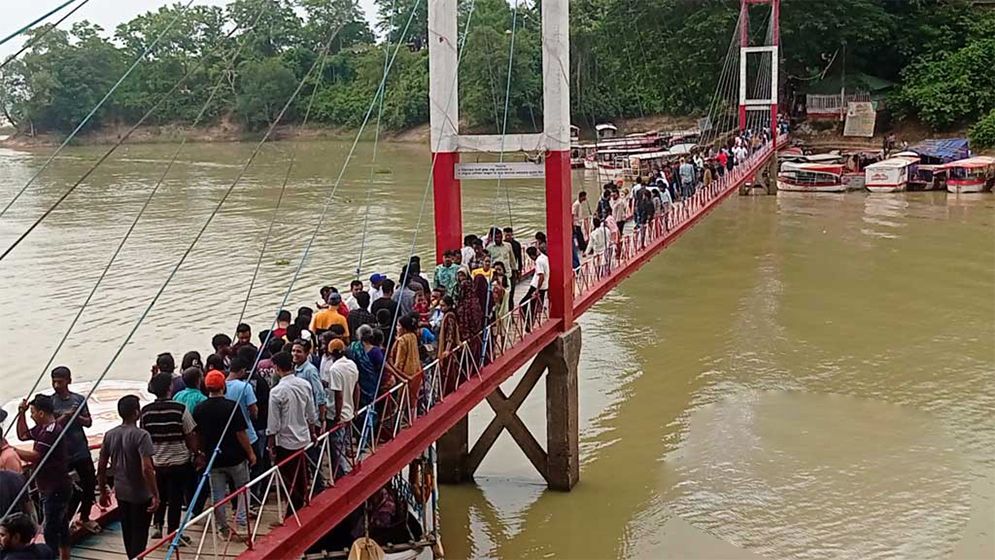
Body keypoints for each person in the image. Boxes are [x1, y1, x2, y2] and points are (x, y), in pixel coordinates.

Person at [192, 371, 256, 541]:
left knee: (218, 495)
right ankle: (241, 522)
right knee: (243, 488)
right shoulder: (232, 406)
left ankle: (223, 527)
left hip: (213, 459)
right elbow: (241, 433)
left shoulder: (199, 409)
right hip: (235, 457)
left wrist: (199, 453)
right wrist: (250, 453)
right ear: (223, 386)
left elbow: (198, 435)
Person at [98, 395, 158, 559]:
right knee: (140, 533)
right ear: (136, 413)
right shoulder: (142, 435)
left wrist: (103, 491)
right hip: (140, 494)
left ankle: (132, 557)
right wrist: (155, 494)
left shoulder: (110, 435)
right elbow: (147, 468)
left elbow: (102, 466)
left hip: (121, 492)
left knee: (128, 531)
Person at [141, 373, 197, 542]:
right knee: (175, 498)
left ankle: (157, 525)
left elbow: (144, 436)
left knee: (160, 495)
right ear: (169, 388)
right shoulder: (180, 408)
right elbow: (190, 434)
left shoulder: (145, 412)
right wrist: (196, 453)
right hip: (179, 460)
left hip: (157, 461)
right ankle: (174, 534)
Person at [14, 395, 70, 560]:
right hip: (51, 485)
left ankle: (51, 557)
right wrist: (21, 413)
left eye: (32, 412)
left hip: (55, 486)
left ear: (41, 413)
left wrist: (12, 450)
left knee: (50, 530)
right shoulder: (42, 428)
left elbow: (36, 456)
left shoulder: (51, 431)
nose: (31, 415)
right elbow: (23, 435)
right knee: (61, 526)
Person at [47, 366, 99, 535]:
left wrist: (76, 416)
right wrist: (66, 416)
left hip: (80, 450)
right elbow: (50, 427)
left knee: (90, 483)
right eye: (54, 381)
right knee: (64, 489)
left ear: (69, 381)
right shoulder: (49, 403)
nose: (56, 385)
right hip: (62, 454)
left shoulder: (79, 400)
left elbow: (88, 422)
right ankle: (65, 521)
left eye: (60, 382)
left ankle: (85, 517)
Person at [267, 351, 316, 514]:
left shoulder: (276, 392)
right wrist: (313, 432)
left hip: (285, 441)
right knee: (302, 472)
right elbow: (311, 413)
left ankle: (293, 509)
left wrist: (271, 445)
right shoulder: (305, 385)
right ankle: (302, 501)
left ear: (276, 367)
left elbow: (273, 423)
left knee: (288, 476)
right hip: (303, 436)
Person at [324, 339, 359, 476]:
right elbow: (357, 387)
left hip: (338, 414)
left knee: (337, 448)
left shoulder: (334, 369)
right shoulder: (351, 364)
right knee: (345, 444)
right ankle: (345, 470)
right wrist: (355, 408)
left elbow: (338, 395)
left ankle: (341, 475)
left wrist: (337, 416)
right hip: (349, 411)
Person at [387, 315, 423, 412]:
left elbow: (399, 362)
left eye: (398, 326)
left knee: (402, 401)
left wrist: (394, 374)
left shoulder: (402, 340)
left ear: (404, 328)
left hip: (406, 374)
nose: (396, 328)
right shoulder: (413, 336)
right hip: (416, 371)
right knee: (413, 401)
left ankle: (400, 422)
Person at [292, 339, 327, 428]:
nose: (295, 354)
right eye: (293, 351)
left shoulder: (310, 371)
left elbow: (320, 393)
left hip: (311, 418)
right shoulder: (295, 368)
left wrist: (322, 419)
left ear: (307, 353)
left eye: (299, 351)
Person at [520, 246, 548, 329]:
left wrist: (536, 290)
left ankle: (528, 325)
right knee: (533, 307)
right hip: (544, 287)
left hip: (536, 287)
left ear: (531, 256)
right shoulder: (544, 257)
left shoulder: (538, 261)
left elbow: (541, 276)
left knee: (522, 305)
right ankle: (530, 324)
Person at [502, 227, 523, 303]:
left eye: (509, 235)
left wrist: (520, 271)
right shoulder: (502, 245)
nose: (507, 237)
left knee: (512, 290)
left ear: (512, 234)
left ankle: (511, 306)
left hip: (513, 270)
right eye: (506, 235)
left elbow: (519, 258)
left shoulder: (517, 244)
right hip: (504, 270)